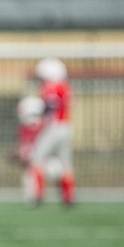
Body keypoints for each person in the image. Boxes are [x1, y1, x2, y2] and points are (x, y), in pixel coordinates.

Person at [28, 57, 75, 207]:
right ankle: (68, 197)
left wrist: (37, 116)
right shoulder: (66, 87)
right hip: (66, 126)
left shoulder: (51, 87)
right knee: (66, 163)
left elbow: (50, 106)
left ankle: (38, 195)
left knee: (37, 159)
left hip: (54, 128)